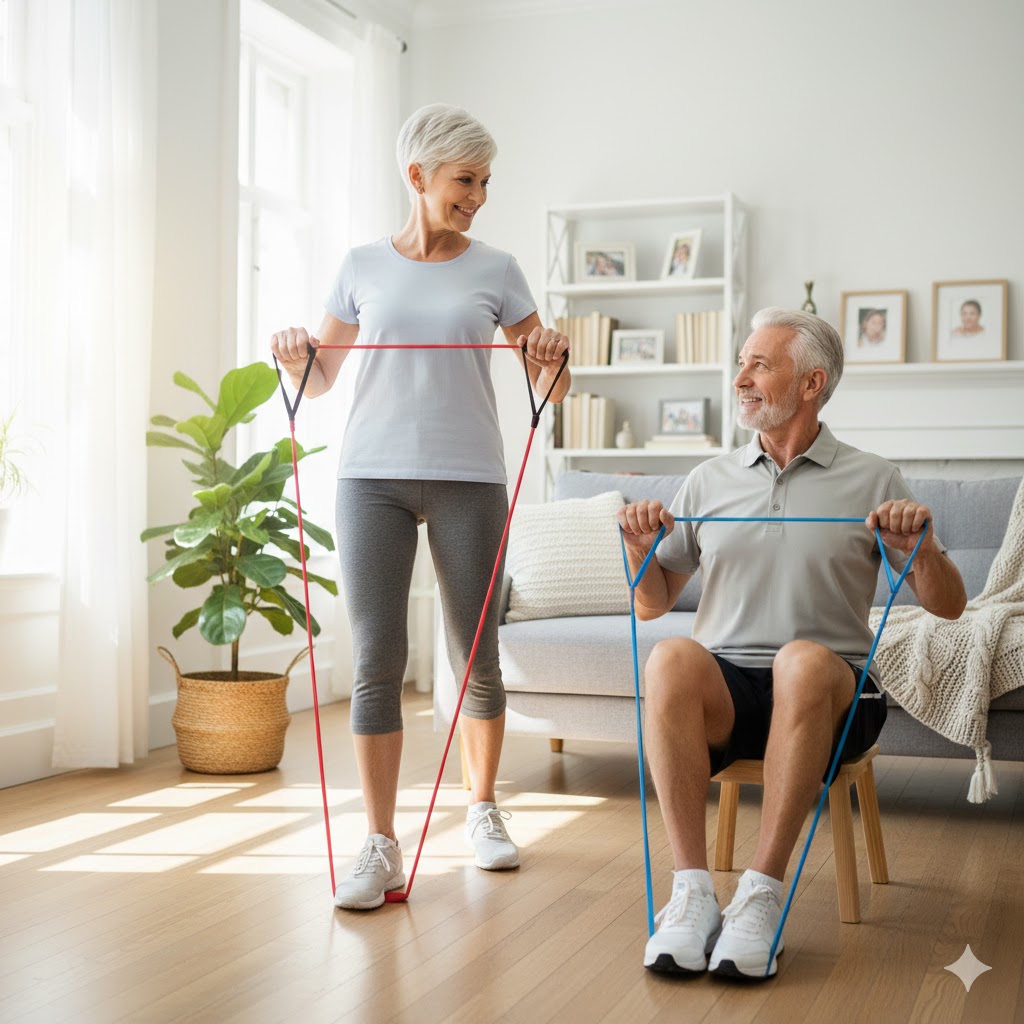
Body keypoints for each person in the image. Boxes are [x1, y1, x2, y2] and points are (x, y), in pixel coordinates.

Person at [271, 104, 571, 911]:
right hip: (371, 477)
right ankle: (379, 844)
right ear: (419, 177)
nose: (477, 195)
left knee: (475, 657)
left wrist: (549, 361)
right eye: (464, 180)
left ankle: (482, 811)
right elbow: (321, 377)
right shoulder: (361, 264)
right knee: (375, 661)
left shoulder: (498, 269)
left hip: (469, 474)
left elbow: (549, 387)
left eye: (484, 181)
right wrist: (296, 357)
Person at [617, 307, 966, 978]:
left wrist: (915, 550)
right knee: (670, 658)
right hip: (731, 692)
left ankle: (761, 898)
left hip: (833, 694)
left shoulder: (873, 478)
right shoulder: (708, 481)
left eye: (759, 364)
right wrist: (638, 551)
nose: (741, 376)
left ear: (810, 383)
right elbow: (652, 603)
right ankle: (691, 894)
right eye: (742, 360)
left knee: (803, 661)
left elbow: (949, 607)